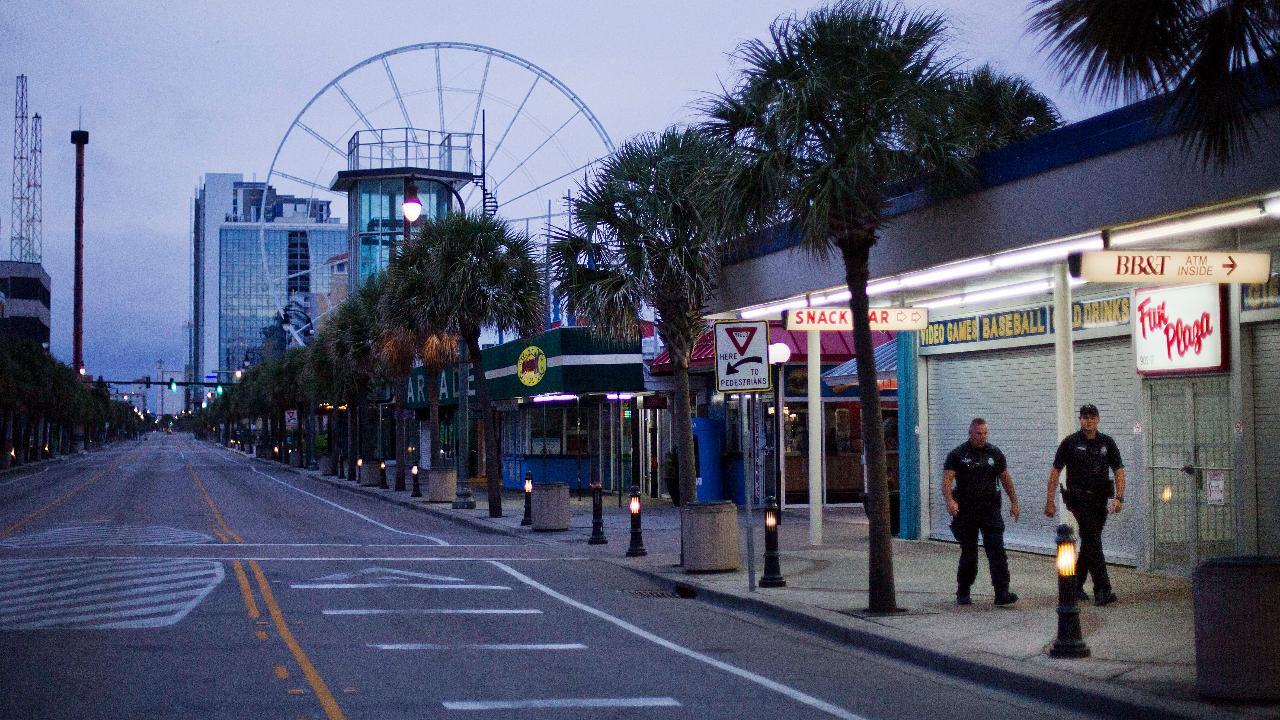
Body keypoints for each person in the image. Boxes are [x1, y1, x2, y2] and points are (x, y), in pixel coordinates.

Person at [1045, 404, 1125, 606]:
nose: (1088, 421)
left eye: (1092, 417)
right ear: (1079, 419)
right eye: (1084, 417)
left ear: (1098, 419)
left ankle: (1074, 585)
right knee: (1093, 542)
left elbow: (1118, 470)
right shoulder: (1070, 443)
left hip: (1099, 500)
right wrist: (1050, 500)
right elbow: (1055, 471)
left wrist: (1119, 497)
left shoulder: (1107, 443)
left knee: (1091, 542)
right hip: (1079, 500)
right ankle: (1102, 590)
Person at [942, 418, 1020, 606]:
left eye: (985, 433)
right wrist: (950, 500)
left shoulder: (994, 453)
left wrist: (1014, 502)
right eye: (978, 433)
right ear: (970, 433)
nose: (982, 437)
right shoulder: (957, 454)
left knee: (997, 552)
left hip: (990, 510)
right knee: (969, 554)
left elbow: (1006, 478)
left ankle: (1002, 593)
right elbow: (946, 481)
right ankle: (963, 591)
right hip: (966, 511)